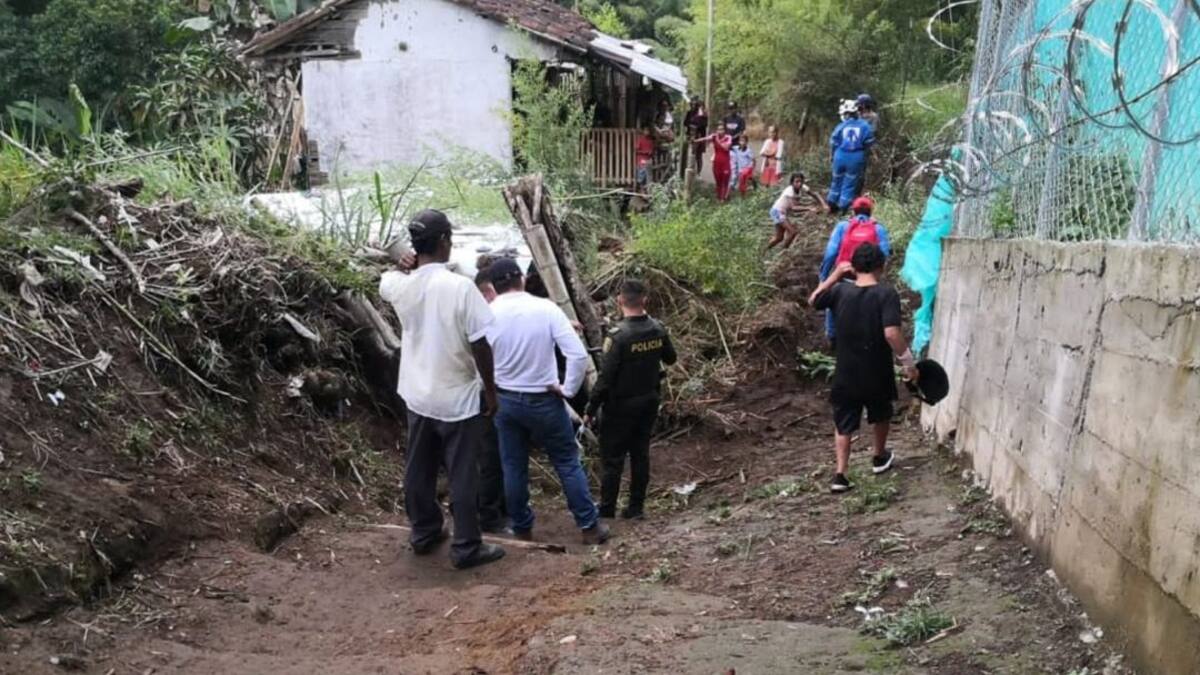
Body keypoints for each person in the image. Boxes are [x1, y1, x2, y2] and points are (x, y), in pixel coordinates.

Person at [378, 210, 505, 569]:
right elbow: (481, 344)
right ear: (445, 241)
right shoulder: (460, 287)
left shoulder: (401, 285)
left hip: (417, 394)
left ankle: (424, 532)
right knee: (463, 473)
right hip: (457, 397)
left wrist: (406, 265)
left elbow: (384, 279)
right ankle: (466, 547)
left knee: (419, 470)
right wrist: (491, 393)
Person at [485, 258, 610, 545]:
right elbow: (577, 355)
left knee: (513, 465)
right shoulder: (546, 309)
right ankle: (589, 526)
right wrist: (567, 389)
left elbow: (477, 357)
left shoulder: (487, 314)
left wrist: (490, 389)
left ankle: (522, 528)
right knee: (566, 462)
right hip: (543, 398)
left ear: (494, 286)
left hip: (505, 401)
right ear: (522, 279)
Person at [808, 243, 918, 494]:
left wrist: (833, 277)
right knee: (881, 413)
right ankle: (879, 457)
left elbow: (813, 300)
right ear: (882, 266)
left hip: (846, 371)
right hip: (876, 370)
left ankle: (840, 474)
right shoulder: (886, 293)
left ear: (853, 267)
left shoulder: (839, 292)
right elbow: (892, 333)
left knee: (844, 422)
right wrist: (908, 363)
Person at [584, 279, 677, 520]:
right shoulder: (657, 328)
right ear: (644, 300)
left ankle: (607, 509)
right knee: (640, 453)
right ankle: (636, 508)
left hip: (620, 406)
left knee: (613, 458)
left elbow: (605, 379)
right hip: (649, 400)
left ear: (620, 301)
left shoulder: (618, 336)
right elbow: (671, 359)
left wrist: (591, 407)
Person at [819, 196, 891, 343]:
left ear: (853, 211)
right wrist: (879, 277)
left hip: (844, 275)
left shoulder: (842, 226)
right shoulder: (878, 228)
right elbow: (884, 254)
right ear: (871, 211)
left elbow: (831, 253)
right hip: (868, 279)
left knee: (833, 302)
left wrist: (824, 276)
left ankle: (832, 337)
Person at [826, 99, 875, 214]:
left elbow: (833, 142)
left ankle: (832, 204)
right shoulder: (865, 126)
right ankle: (843, 207)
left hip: (840, 155)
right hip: (856, 157)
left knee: (836, 179)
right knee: (850, 182)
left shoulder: (841, 126)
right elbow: (869, 142)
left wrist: (832, 156)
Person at [766, 172, 827, 252]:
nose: (799, 184)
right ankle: (783, 251)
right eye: (797, 182)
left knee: (779, 238)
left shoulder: (803, 187)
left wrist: (823, 204)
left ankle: (765, 251)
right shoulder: (789, 191)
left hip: (781, 212)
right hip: (777, 211)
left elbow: (814, 194)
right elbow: (794, 208)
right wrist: (808, 208)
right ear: (792, 183)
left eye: (801, 181)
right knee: (793, 232)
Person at [700, 127, 734, 202]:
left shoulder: (728, 138)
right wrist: (696, 141)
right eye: (718, 129)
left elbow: (726, 147)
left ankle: (724, 198)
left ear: (725, 131)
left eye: (722, 129)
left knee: (725, 180)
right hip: (716, 162)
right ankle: (719, 197)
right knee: (718, 181)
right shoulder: (714, 136)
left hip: (725, 162)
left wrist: (717, 140)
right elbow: (705, 139)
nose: (720, 131)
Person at [684, 99, 709, 174]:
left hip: (700, 136)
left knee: (699, 155)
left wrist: (701, 113)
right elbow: (685, 123)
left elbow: (704, 124)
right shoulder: (690, 113)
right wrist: (691, 126)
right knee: (691, 153)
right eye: (692, 105)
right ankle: (690, 170)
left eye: (695, 105)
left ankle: (699, 172)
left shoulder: (703, 115)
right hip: (691, 135)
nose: (693, 106)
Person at [636, 125, 656, 192]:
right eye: (646, 130)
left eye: (648, 131)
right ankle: (641, 189)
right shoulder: (640, 140)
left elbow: (652, 150)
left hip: (649, 159)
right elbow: (636, 150)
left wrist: (651, 152)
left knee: (649, 175)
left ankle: (649, 190)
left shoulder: (651, 141)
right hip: (642, 159)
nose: (647, 132)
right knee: (642, 174)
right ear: (643, 131)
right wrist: (644, 152)